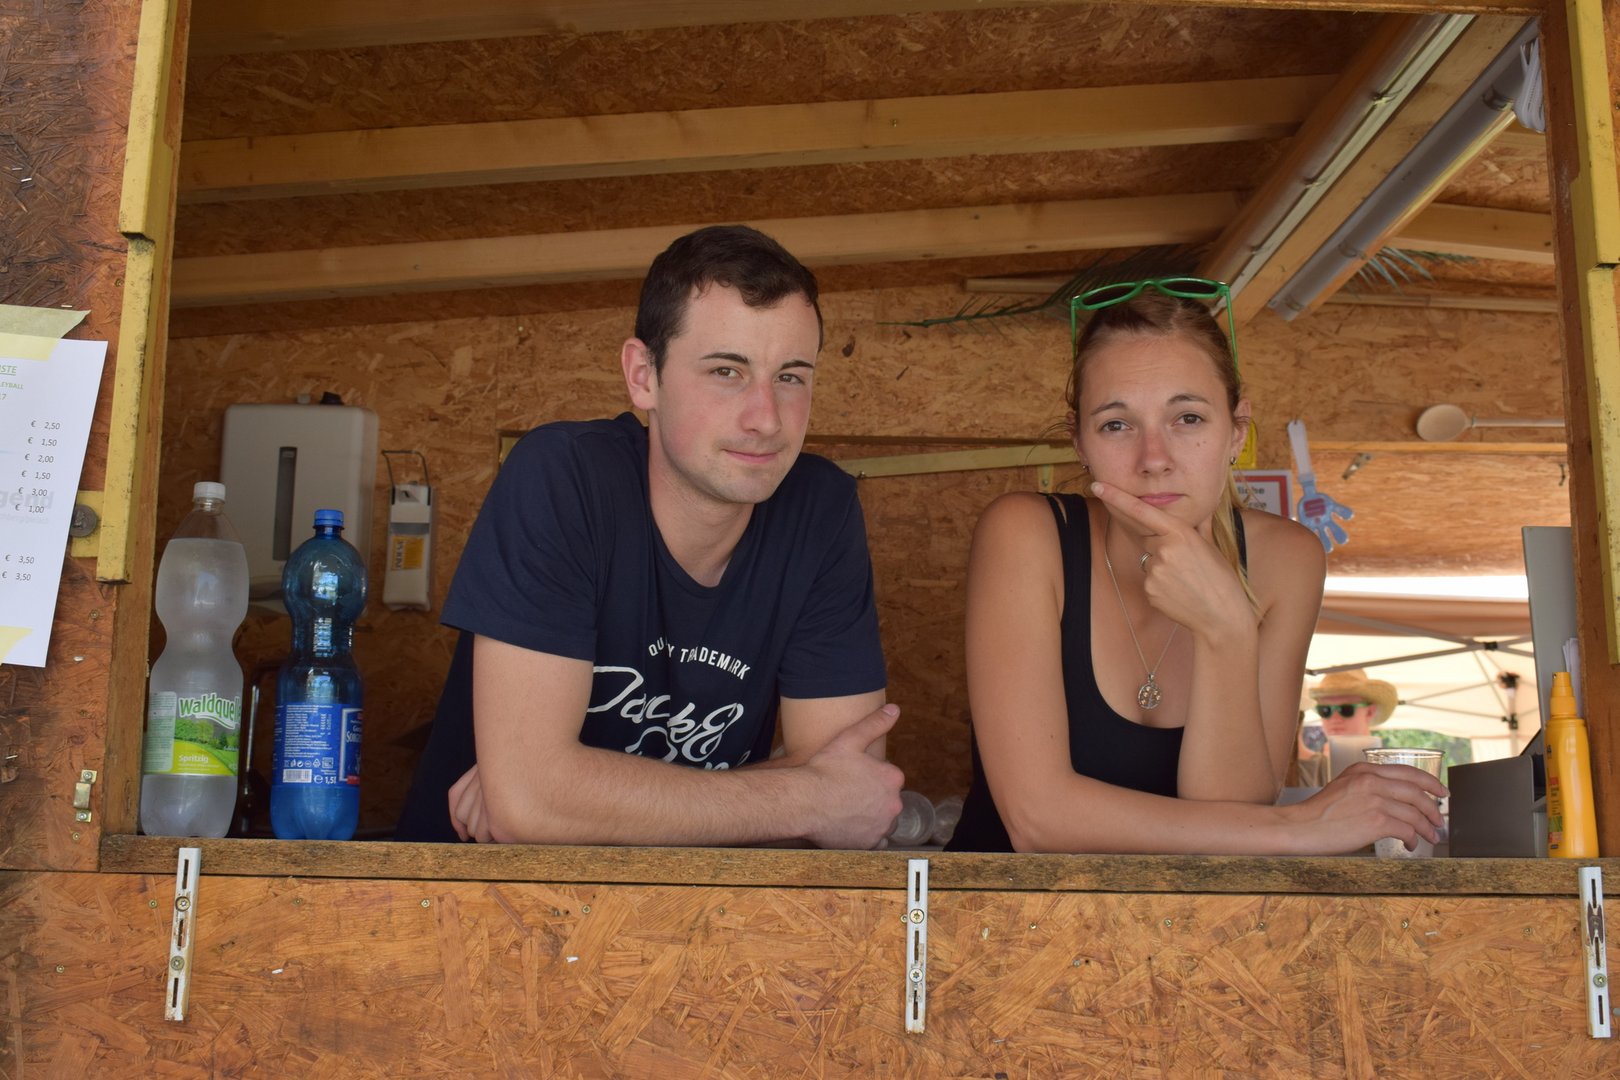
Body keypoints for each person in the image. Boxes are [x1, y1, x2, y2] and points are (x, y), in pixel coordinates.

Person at [395, 225, 904, 847]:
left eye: (791, 377)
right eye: (727, 371)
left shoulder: (819, 509)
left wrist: (565, 801)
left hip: (698, 906)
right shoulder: (564, 477)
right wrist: (805, 798)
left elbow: (853, 795)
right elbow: (529, 801)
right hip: (467, 897)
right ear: (643, 376)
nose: (766, 419)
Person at [945, 278, 1446, 854]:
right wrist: (1303, 825)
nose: (1154, 459)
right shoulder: (1027, 533)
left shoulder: (1286, 559)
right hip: (995, 907)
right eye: (1116, 424)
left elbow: (1233, 828)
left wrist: (1225, 631)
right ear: (1079, 442)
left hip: (1194, 914)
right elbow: (1037, 821)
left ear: (1237, 430)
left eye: (1187, 418)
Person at [1296, 668, 1399, 786]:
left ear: (1369, 712)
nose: (1334, 718)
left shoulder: (1389, 767)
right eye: (1325, 710)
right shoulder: (1308, 770)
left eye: (1346, 709)